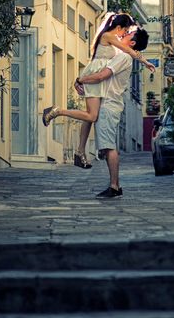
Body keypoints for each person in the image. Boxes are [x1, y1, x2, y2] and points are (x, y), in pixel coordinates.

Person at [41, 13, 153, 169]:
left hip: (99, 79)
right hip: (95, 77)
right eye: (126, 30)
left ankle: (80, 152)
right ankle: (56, 111)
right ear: (119, 27)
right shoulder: (109, 36)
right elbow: (130, 51)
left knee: (89, 117)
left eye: (128, 32)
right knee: (92, 115)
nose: (125, 34)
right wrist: (146, 62)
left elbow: (129, 51)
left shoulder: (113, 39)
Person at [79, 22, 149, 199]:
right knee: (107, 145)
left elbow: (103, 75)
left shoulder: (123, 57)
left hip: (109, 105)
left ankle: (114, 186)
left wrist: (81, 80)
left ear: (131, 42)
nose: (123, 35)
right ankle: (114, 184)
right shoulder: (124, 55)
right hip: (109, 104)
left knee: (109, 147)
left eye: (127, 35)